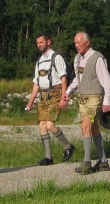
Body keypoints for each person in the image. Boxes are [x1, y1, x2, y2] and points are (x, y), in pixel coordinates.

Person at [60, 32, 110, 174]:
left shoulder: (97, 58)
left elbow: (106, 80)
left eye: (79, 42)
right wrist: (68, 92)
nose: (76, 45)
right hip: (83, 97)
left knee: (85, 125)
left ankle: (86, 162)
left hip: (95, 97)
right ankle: (103, 162)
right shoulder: (78, 59)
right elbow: (78, 80)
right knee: (94, 128)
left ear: (87, 42)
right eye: (75, 43)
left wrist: (107, 99)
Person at [25, 33, 75, 166]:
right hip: (43, 95)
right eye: (37, 43)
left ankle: (68, 146)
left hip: (55, 94)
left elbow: (63, 78)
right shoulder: (39, 61)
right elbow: (36, 83)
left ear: (48, 42)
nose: (39, 45)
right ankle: (48, 157)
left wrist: (64, 97)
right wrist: (30, 102)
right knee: (42, 125)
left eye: (41, 42)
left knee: (50, 126)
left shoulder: (56, 58)